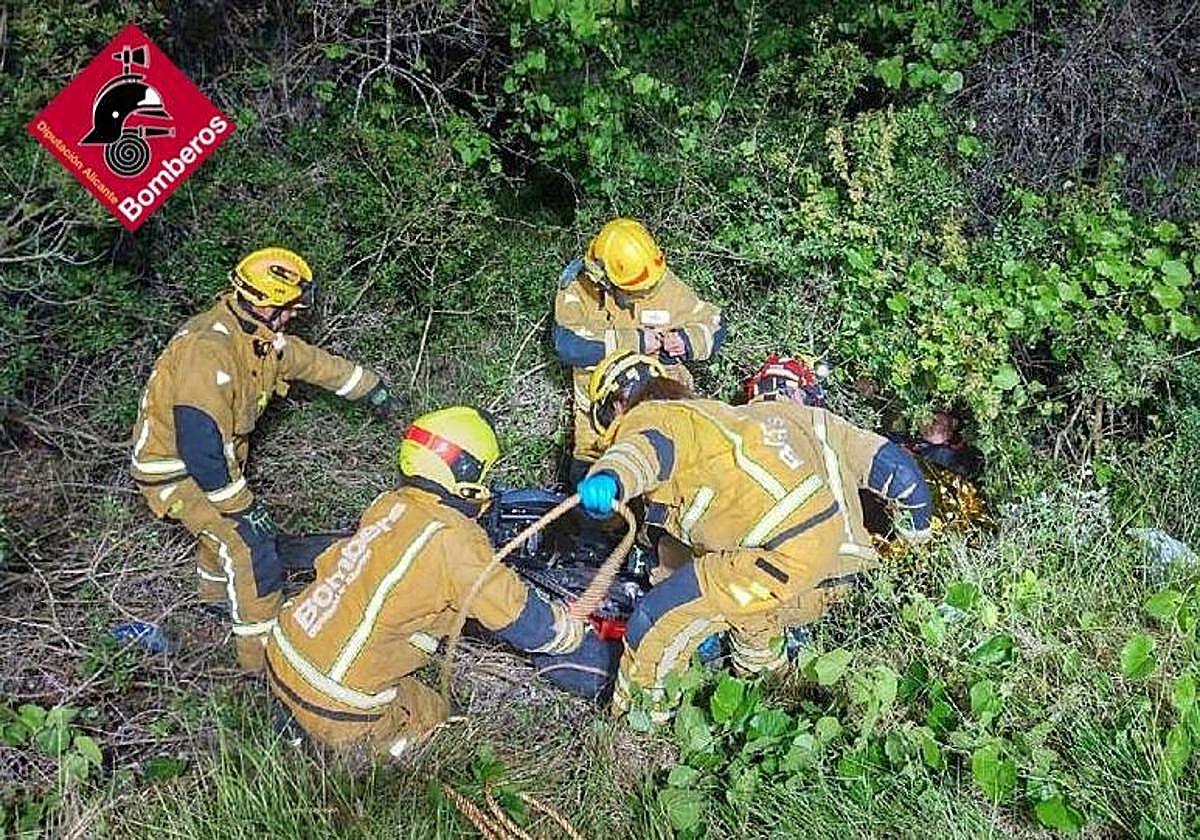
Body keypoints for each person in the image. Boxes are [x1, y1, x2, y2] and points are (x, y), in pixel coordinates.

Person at [575, 351, 933, 719]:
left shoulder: (684, 415)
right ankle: (771, 695)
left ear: (618, 403)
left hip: (785, 561)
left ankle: (638, 727)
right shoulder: (811, 425)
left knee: (661, 618)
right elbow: (902, 476)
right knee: (736, 600)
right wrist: (916, 548)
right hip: (840, 572)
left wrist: (613, 477)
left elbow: (646, 449)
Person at [130, 247, 403, 672]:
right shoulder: (209, 350)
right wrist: (241, 506)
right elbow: (200, 445)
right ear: (264, 302)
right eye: (289, 306)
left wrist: (369, 387)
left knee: (218, 536)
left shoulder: (255, 338)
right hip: (176, 470)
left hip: (210, 465)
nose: (294, 313)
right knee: (250, 547)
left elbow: (311, 363)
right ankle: (262, 664)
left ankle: (216, 608)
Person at [264, 407, 587, 757]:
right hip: (339, 703)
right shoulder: (454, 539)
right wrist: (571, 631)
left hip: (281, 652)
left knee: (426, 702)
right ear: (466, 473)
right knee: (447, 732)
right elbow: (523, 620)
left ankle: (294, 724)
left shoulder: (389, 504)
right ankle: (363, 756)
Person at [553, 218, 724, 486]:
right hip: (600, 424)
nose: (647, 294)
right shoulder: (577, 290)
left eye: (649, 288)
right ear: (605, 280)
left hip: (665, 411)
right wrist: (636, 342)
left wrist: (687, 340)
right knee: (592, 495)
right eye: (636, 291)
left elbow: (712, 322)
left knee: (678, 479)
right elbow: (569, 344)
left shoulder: (655, 278)